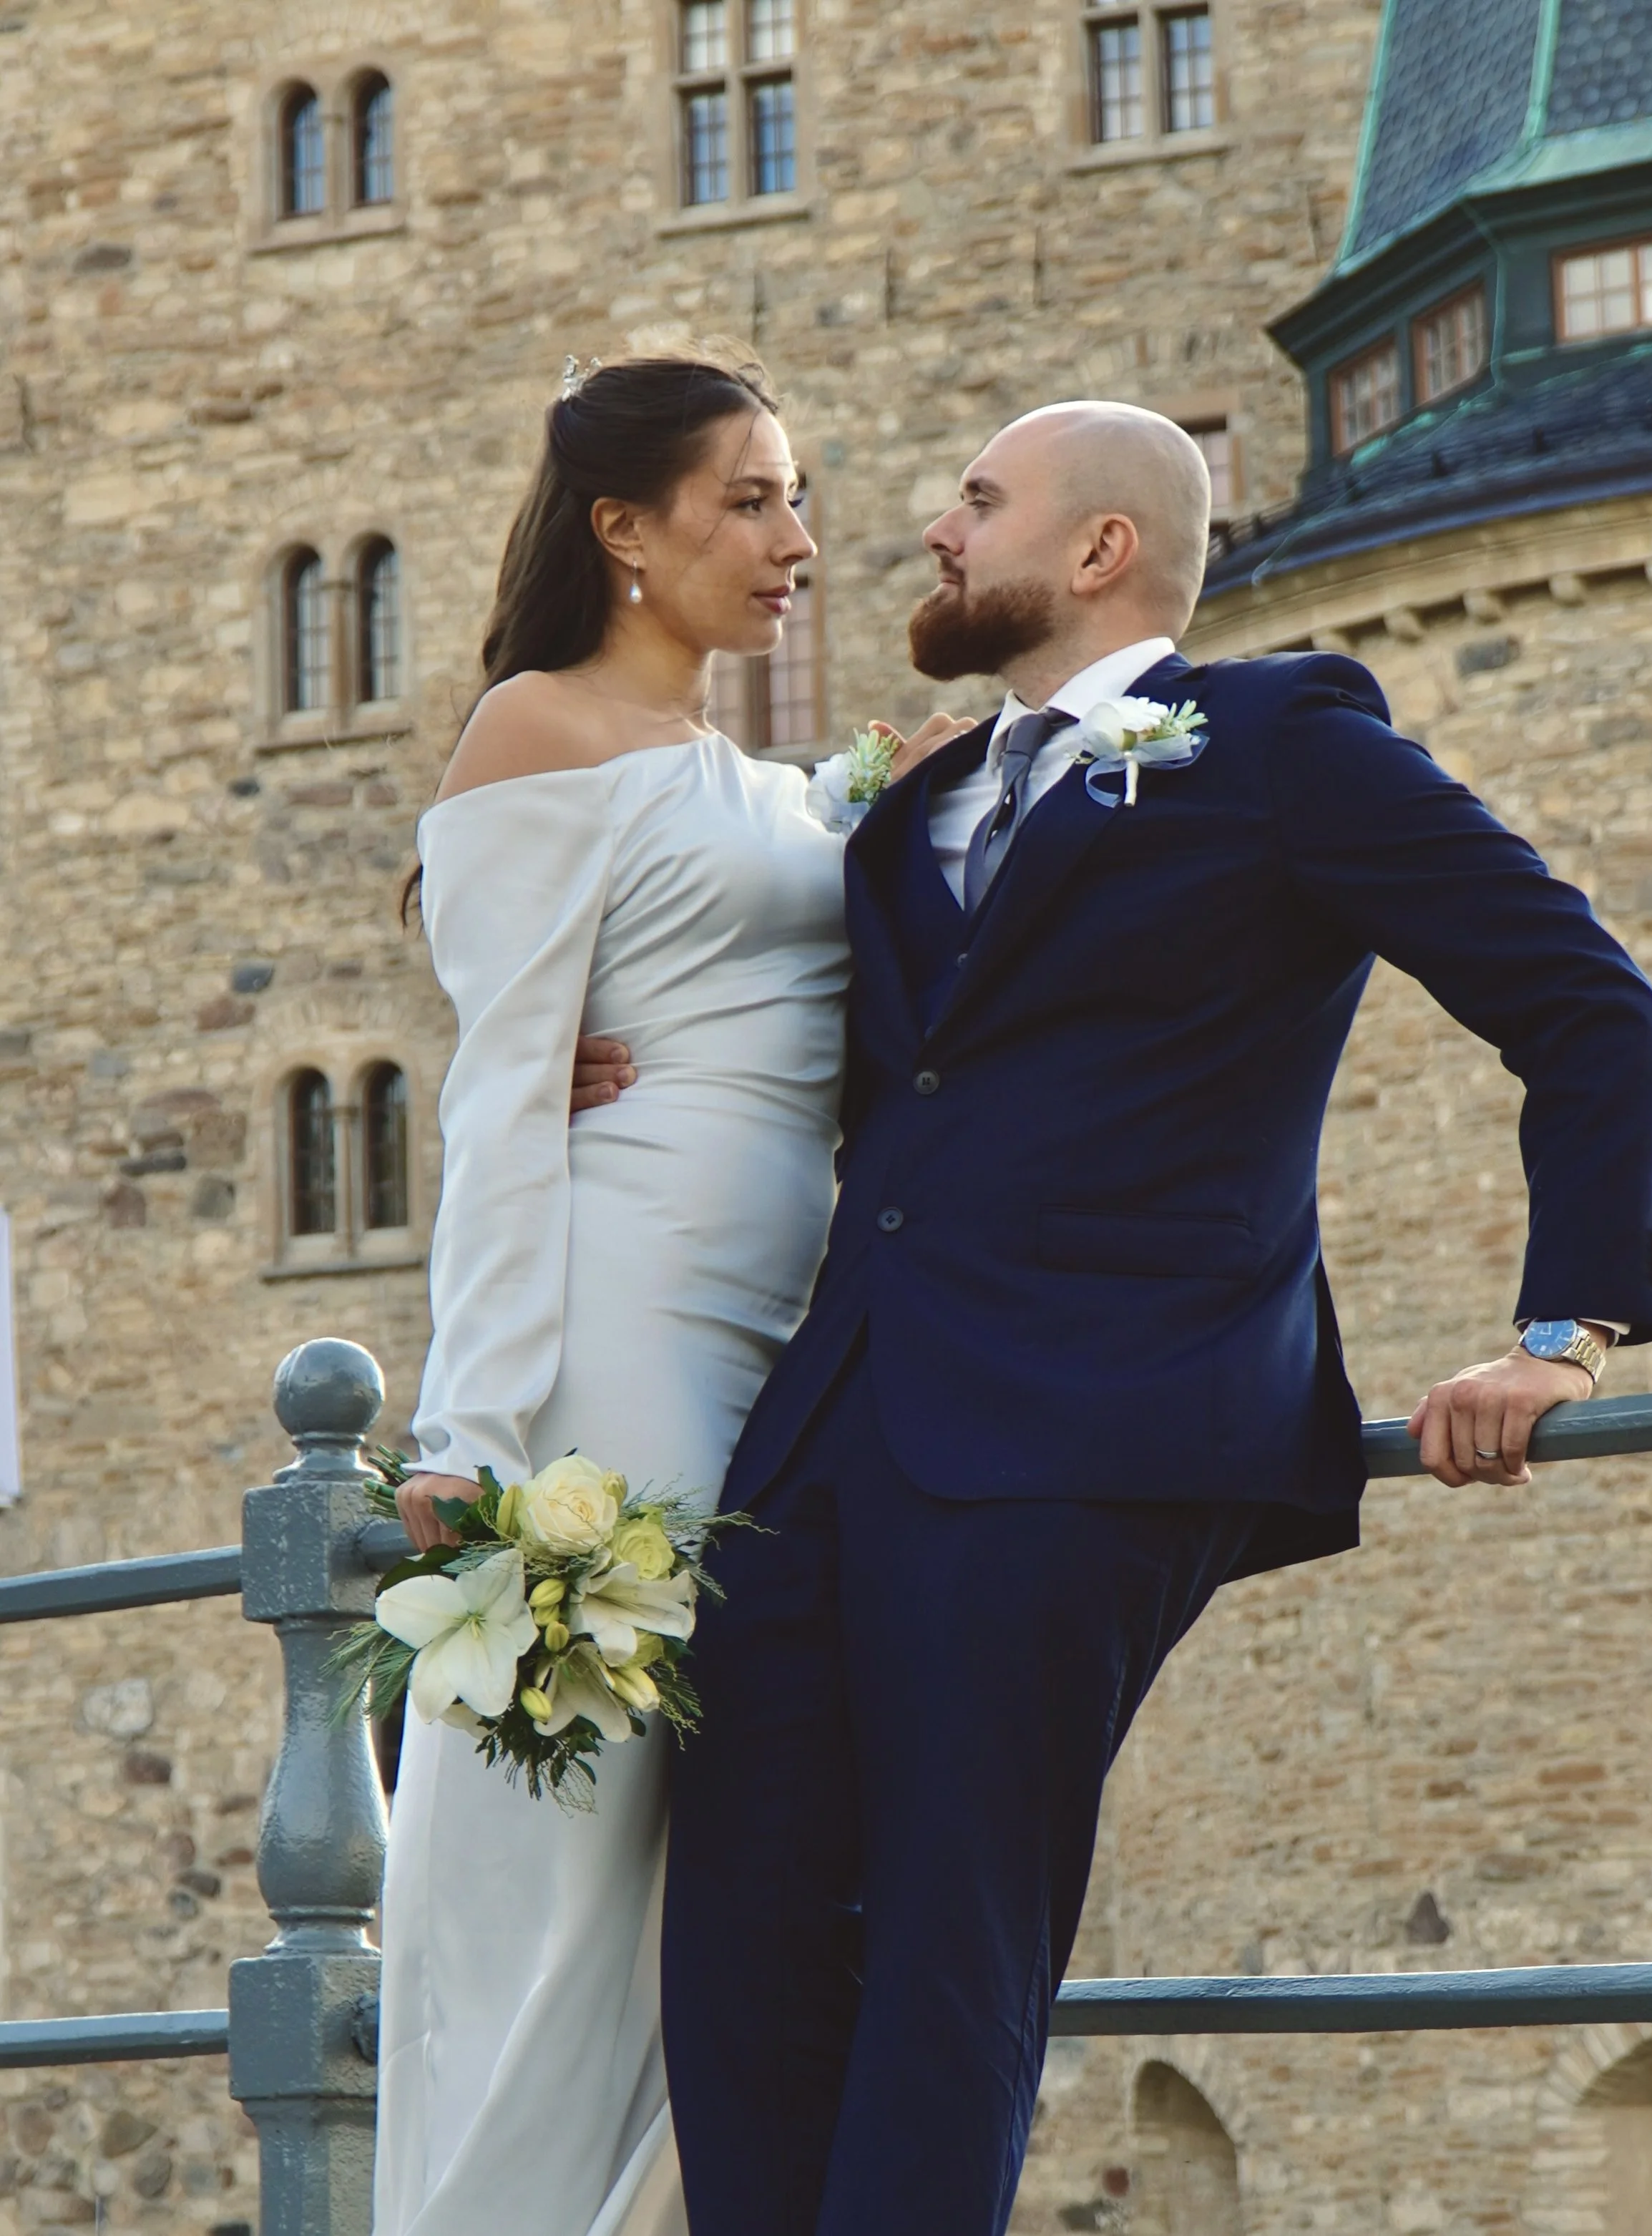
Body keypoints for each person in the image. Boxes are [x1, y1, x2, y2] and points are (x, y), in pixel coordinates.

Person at [642, 401, 1652, 2236]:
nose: (935, 529)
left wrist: (1559, 1331)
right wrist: (617, 1070)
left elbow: (1583, 1001)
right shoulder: (913, 802)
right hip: (819, 1436)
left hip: (1087, 1427)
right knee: (736, 1924)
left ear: (1098, 548)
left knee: (952, 1931)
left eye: (977, 500)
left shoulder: (1281, 745)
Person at [373, 346, 966, 2236]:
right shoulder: (535, 730)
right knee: (576, 1843)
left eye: (800, 498)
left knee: (729, 1858)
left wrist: (899, 796)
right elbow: (499, 1100)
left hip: (789, 1341)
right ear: (624, 527)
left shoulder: (757, 781)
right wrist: (468, 1435)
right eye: (751, 498)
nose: (798, 541)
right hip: (620, 1330)